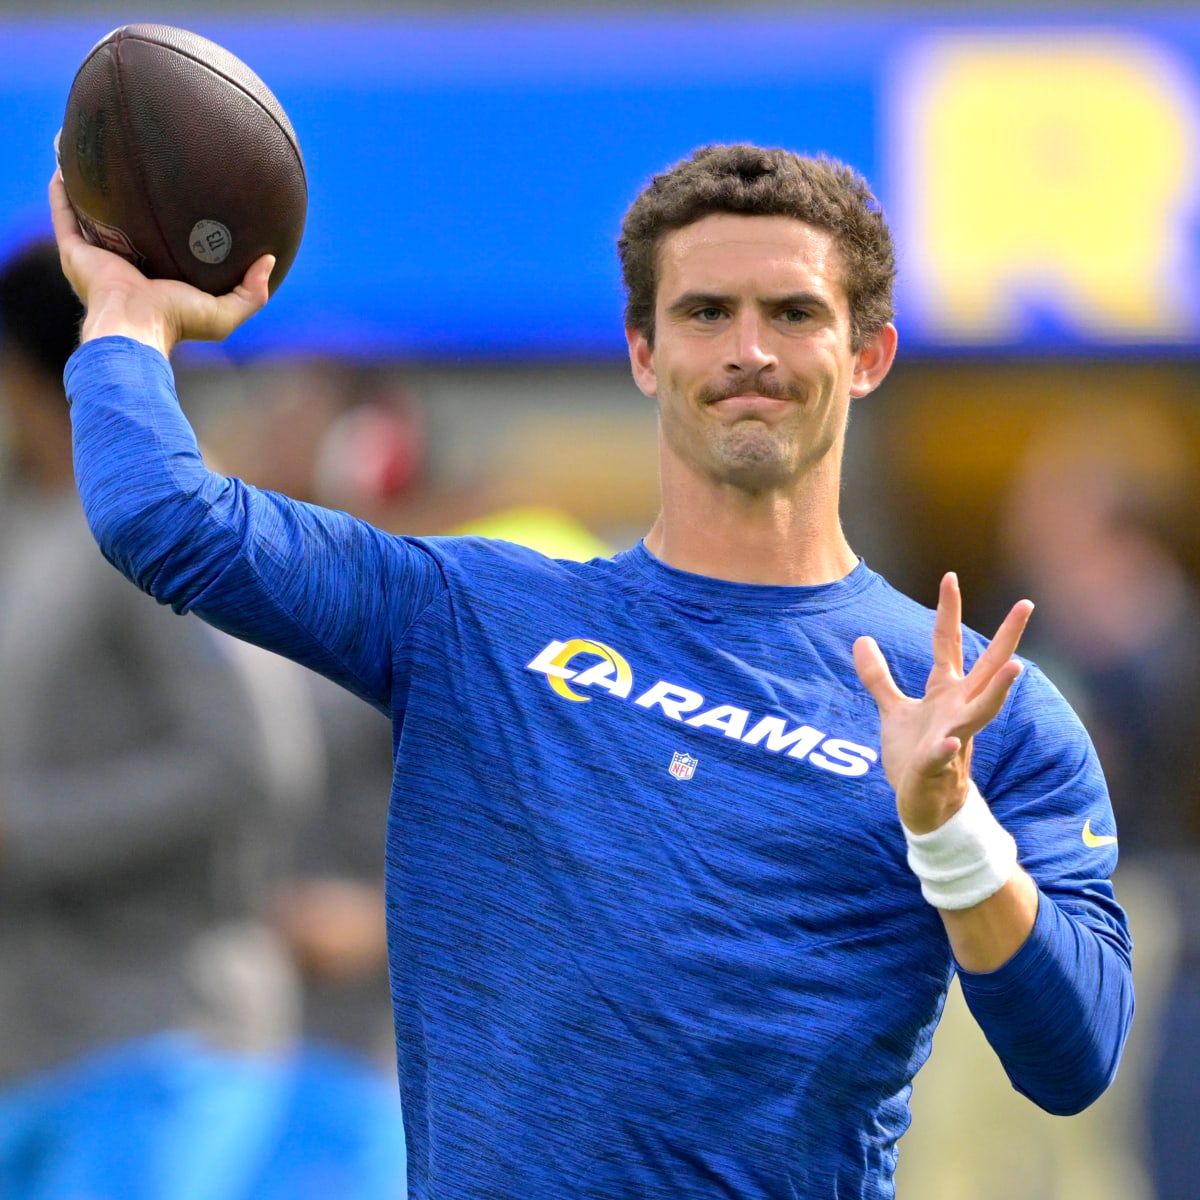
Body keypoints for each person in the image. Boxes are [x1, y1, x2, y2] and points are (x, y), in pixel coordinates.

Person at [49, 143, 1133, 1199]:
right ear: (644, 351)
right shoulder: (467, 616)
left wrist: (948, 833)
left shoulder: (978, 706)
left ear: (869, 354)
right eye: (707, 312)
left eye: (794, 313)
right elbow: (164, 517)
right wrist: (128, 321)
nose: (748, 348)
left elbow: (1073, 1056)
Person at [0, 239, 312, 1198]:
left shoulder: (163, 515)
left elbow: (254, 761)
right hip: (44, 1042)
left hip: (165, 1038)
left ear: (22, 369)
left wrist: (26, 831)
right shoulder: (39, 522)